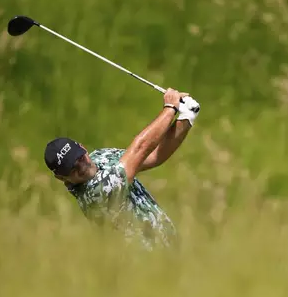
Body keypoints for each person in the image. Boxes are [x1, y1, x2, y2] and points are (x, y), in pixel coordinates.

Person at [43, 88, 200, 250]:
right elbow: (141, 147)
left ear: (82, 148)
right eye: (72, 167)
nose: (80, 166)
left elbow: (152, 156)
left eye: (79, 157)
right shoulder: (96, 193)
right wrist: (170, 108)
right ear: (61, 177)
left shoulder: (101, 157)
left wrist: (187, 117)